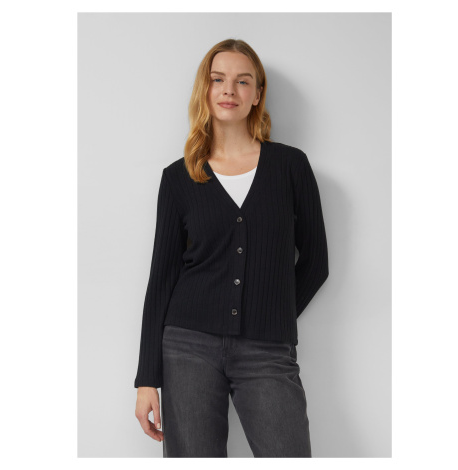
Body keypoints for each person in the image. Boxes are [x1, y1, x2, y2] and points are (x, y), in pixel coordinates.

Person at [134, 38, 329, 458]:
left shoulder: (290, 166)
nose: (229, 90)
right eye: (218, 79)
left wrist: (271, 314)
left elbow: (316, 262)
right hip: (187, 347)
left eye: (243, 81)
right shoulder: (179, 178)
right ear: (205, 90)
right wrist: (146, 379)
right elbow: (162, 278)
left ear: (257, 94)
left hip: (267, 349)